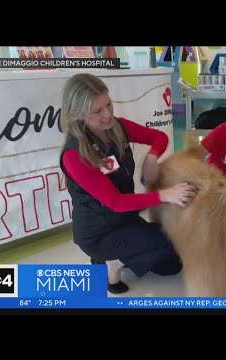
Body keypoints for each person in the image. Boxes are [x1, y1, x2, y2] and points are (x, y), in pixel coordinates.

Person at [59, 73, 196, 294]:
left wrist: (152, 157)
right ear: (78, 115)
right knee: (171, 243)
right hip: (99, 233)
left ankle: (111, 258)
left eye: (109, 104)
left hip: (125, 221)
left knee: (172, 265)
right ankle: (111, 262)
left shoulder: (116, 128)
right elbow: (115, 201)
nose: (108, 115)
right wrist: (165, 195)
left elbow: (159, 138)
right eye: (97, 111)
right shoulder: (75, 155)